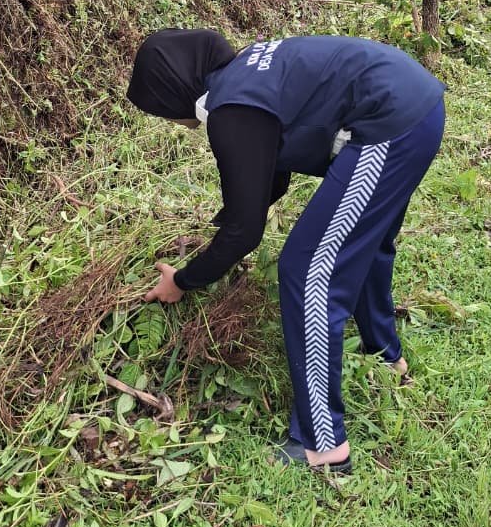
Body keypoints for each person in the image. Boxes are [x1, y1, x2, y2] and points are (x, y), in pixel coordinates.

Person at [126, 29, 446, 474]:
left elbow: (245, 232)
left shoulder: (231, 110)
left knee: (308, 270)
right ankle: (385, 353)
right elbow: (268, 175)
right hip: (417, 104)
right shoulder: (247, 74)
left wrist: (182, 280)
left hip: (388, 125)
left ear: (170, 93)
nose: (172, 122)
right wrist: (227, 225)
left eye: (161, 112)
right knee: (367, 243)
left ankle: (323, 444)